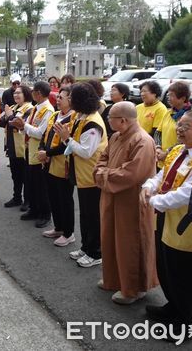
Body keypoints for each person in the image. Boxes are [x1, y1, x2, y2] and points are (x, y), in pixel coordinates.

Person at [140, 110, 192, 337]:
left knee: (186, 275)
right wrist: (148, 186)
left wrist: (153, 201)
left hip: (187, 225)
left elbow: (187, 194)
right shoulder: (178, 150)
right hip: (166, 218)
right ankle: (174, 307)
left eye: (187, 127)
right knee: (167, 269)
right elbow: (163, 174)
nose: (180, 129)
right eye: (180, 125)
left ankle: (188, 324)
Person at [94, 101, 159, 304]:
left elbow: (131, 174)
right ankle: (115, 279)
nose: (107, 120)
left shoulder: (143, 141)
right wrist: (103, 172)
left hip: (131, 200)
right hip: (112, 196)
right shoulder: (115, 136)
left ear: (122, 120)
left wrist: (103, 175)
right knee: (111, 238)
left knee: (130, 243)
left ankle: (133, 288)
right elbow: (101, 160)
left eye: (110, 118)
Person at [55, 82, 107, 268]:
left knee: (93, 216)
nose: (68, 100)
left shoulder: (93, 122)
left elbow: (86, 151)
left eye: (71, 97)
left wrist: (66, 138)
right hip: (82, 174)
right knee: (85, 214)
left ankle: (96, 252)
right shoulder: (81, 116)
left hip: (92, 176)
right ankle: (86, 247)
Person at [11, 81, 54, 227]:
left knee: (41, 185)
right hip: (30, 149)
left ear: (39, 93)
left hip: (39, 151)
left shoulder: (48, 110)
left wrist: (24, 126)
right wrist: (21, 126)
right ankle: (34, 209)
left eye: (34, 91)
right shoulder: (36, 108)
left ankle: (45, 214)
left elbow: (41, 132)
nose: (32, 94)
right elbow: (28, 128)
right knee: (32, 183)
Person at [38, 86, 76, 246]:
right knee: (53, 196)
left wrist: (48, 153)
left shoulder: (74, 118)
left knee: (65, 199)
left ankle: (69, 233)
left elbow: (66, 145)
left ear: (71, 100)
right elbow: (45, 135)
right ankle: (58, 227)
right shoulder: (54, 115)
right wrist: (41, 149)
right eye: (58, 97)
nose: (58, 100)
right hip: (48, 163)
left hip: (63, 165)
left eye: (62, 97)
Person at [0, 84, 34, 208]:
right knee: (15, 175)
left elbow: (19, 124)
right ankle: (17, 197)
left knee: (25, 175)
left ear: (26, 95)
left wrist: (9, 116)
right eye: (15, 93)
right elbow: (1, 122)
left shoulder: (29, 109)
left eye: (19, 93)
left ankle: (27, 200)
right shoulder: (13, 107)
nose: (16, 95)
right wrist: (7, 116)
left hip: (23, 147)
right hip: (12, 146)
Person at [154, 81, 192, 167]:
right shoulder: (169, 112)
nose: (168, 98)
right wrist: (158, 148)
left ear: (182, 98)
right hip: (161, 160)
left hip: (176, 161)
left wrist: (167, 153)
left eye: (171, 95)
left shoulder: (190, 116)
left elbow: (184, 140)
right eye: (168, 95)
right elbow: (158, 132)